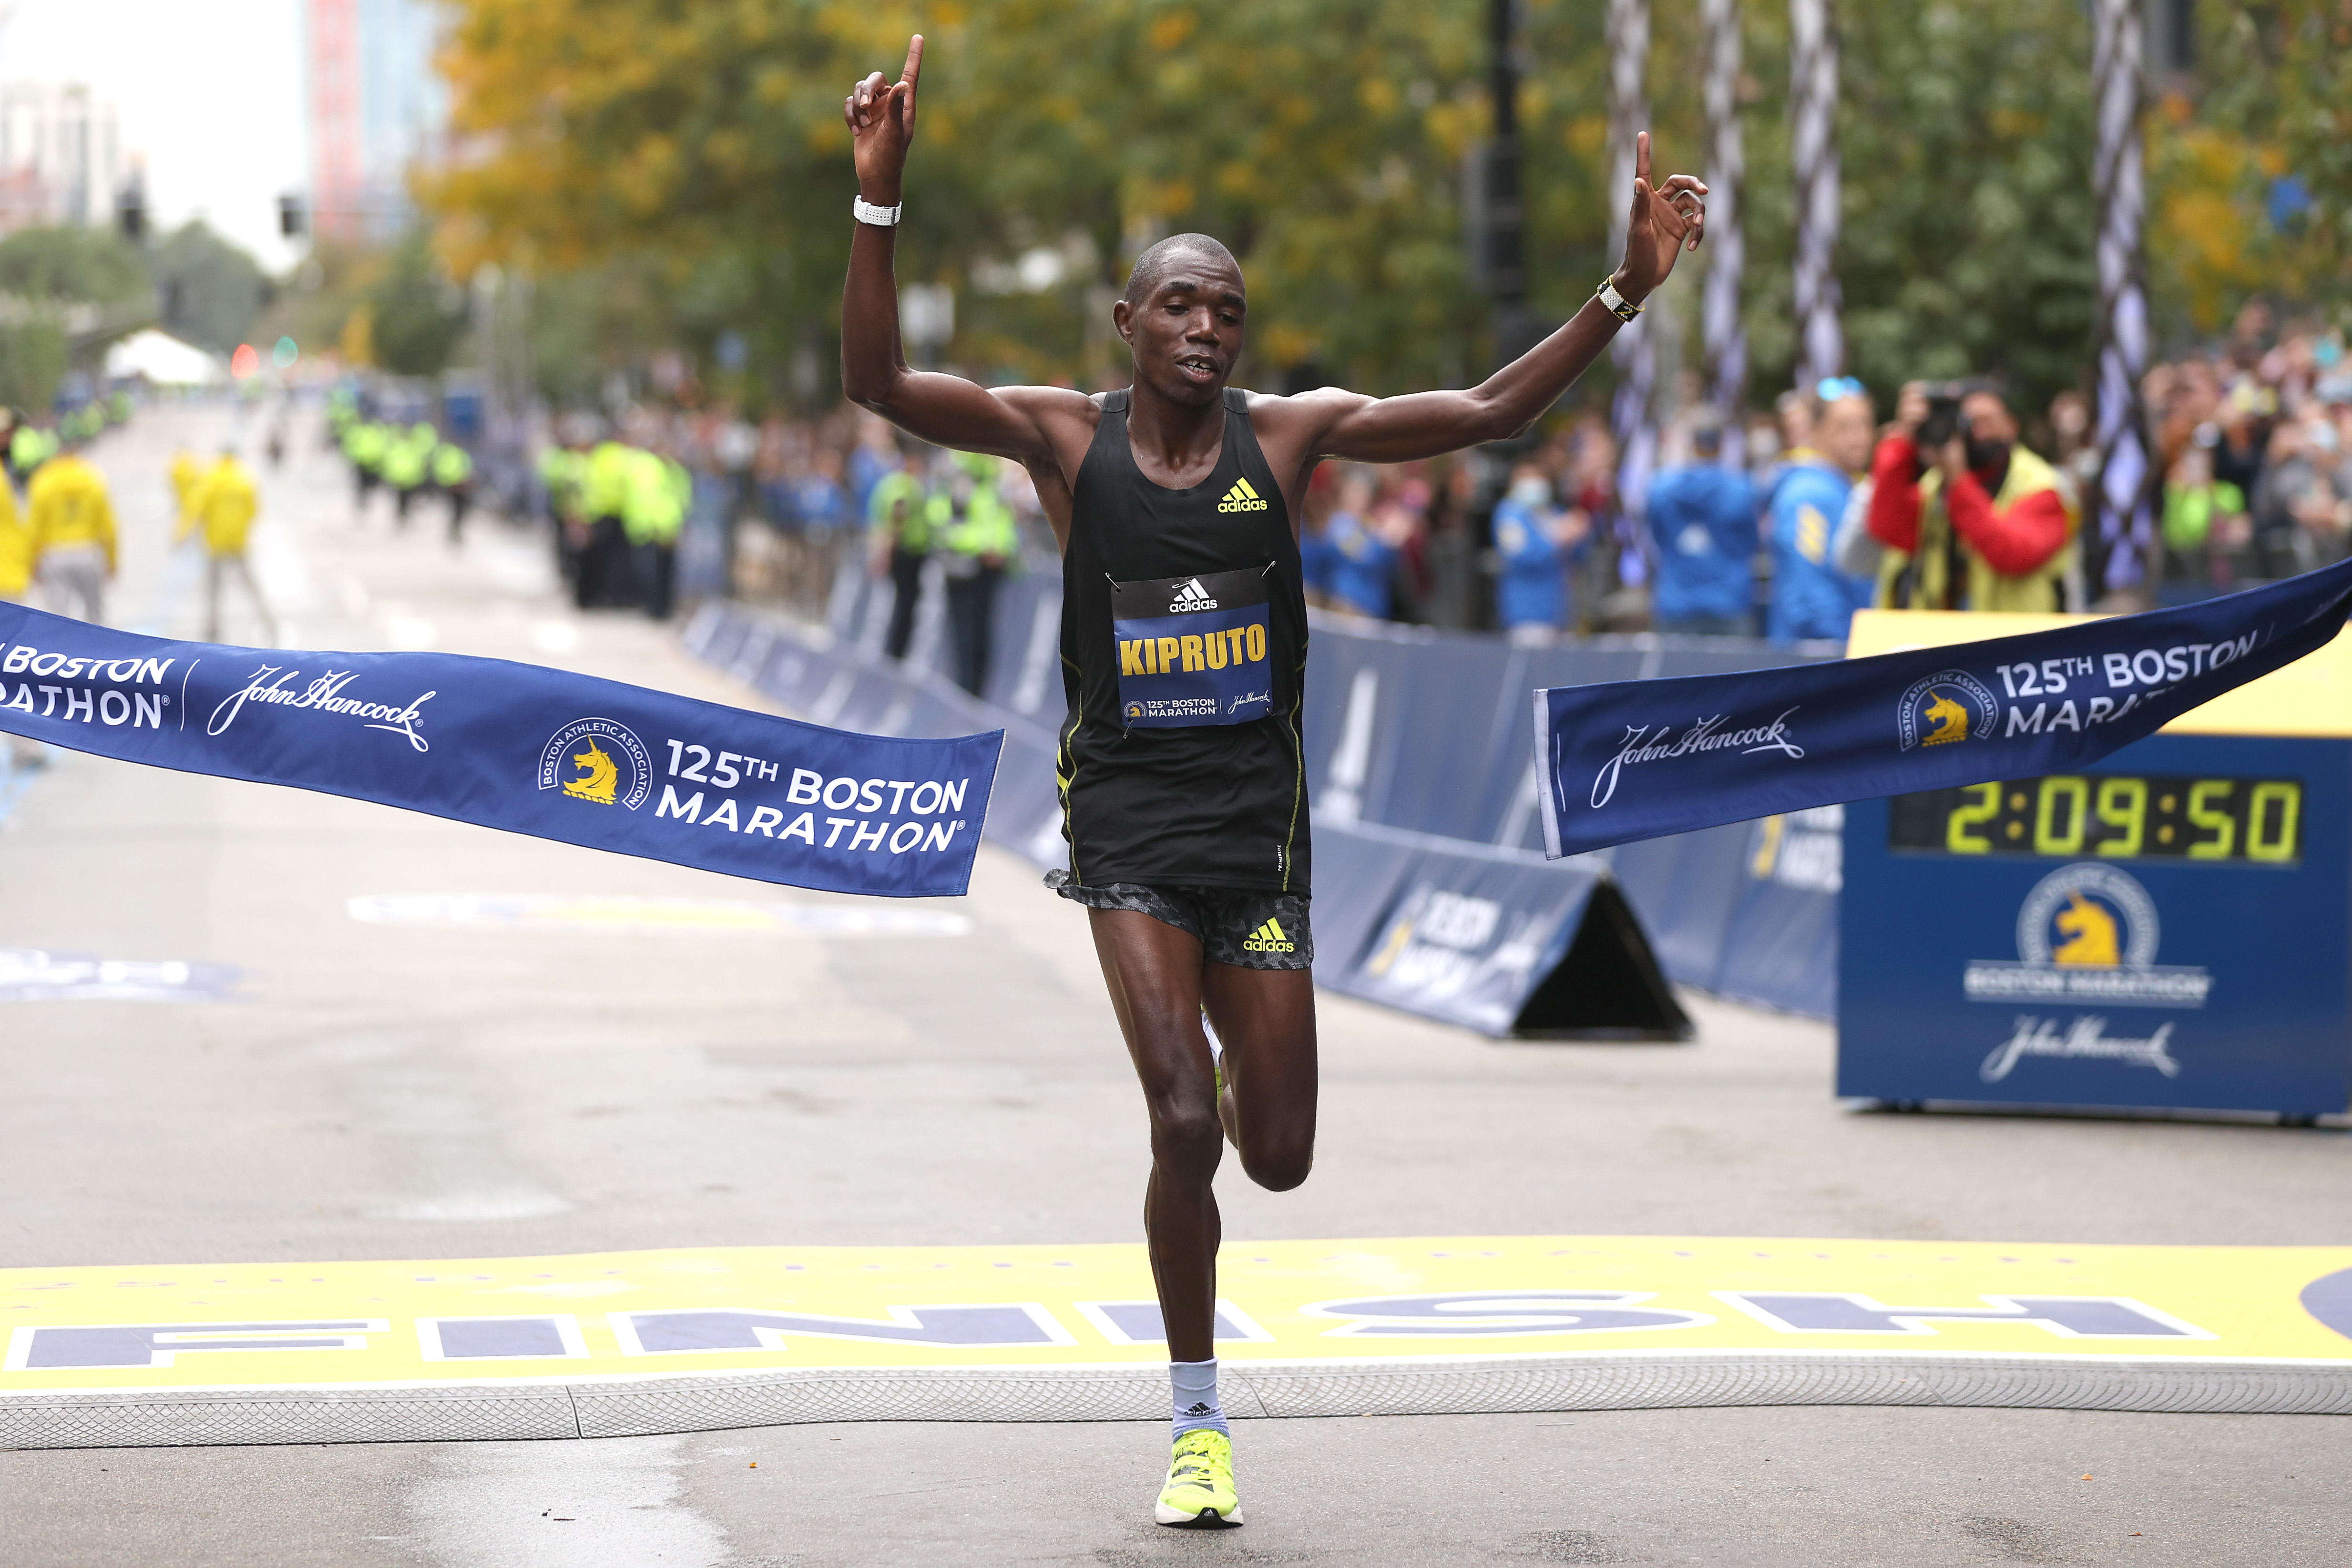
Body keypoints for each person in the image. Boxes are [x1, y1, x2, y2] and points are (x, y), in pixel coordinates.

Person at [840, 35, 1705, 1529]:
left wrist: (1623, 288)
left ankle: (1239, 1067)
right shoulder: (1064, 436)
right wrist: (879, 201)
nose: (1207, 326)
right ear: (1126, 323)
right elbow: (878, 379)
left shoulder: (1288, 437)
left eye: (1227, 310)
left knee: (1280, 1154)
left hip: (1259, 827)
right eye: (1179, 302)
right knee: (1182, 1121)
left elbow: (1490, 415)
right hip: (1124, 821)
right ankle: (1194, 1419)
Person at [1867, 379, 2076, 611]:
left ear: (2012, 426)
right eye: (1968, 423)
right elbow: (1887, 526)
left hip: (2016, 641)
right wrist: (1904, 439)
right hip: (1940, 639)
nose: (1978, 432)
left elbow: (2013, 554)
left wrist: (1958, 481)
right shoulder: (1937, 484)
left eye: (1987, 421)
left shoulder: (2040, 485)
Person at [1767, 385, 1877, 642]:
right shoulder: (1810, 494)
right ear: (1815, 431)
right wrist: (1843, 647)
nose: (1859, 437)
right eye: (1844, 427)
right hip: (1821, 659)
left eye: (1866, 424)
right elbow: (1808, 593)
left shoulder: (1844, 487)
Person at [1644, 417, 1758, 634]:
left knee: (1678, 669)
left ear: (1692, 444)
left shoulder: (1661, 489)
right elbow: (1751, 542)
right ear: (1721, 445)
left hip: (1677, 602)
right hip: (1728, 603)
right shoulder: (1741, 490)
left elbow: (1656, 534)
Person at [939, 451, 1020, 694]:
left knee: (984, 634)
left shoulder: (993, 485)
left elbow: (1005, 523)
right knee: (965, 634)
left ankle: (977, 695)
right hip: (963, 569)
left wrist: (1003, 550)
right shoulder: (957, 481)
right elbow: (946, 527)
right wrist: (982, 548)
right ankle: (965, 692)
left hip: (989, 570)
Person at [189, 446, 278, 644]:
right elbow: (255, 509)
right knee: (251, 585)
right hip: (238, 541)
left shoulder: (211, 478)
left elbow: (197, 508)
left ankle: (212, 629)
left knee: (213, 589)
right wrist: (241, 528)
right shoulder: (245, 479)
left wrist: (184, 533)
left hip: (215, 541)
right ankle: (269, 623)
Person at [25, 437, 116, 623]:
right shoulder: (92, 479)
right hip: (88, 551)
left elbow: (34, 526)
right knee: (96, 614)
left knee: (58, 617)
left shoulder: (43, 480)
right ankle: (97, 650)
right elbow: (108, 525)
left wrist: (32, 562)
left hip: (55, 554)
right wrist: (112, 559)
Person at [1490, 461, 1581, 641]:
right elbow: (1520, 556)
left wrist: (1578, 534)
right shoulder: (1509, 514)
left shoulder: (1551, 513)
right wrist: (1557, 541)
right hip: (1527, 612)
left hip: (1558, 609)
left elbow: (1576, 555)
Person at [865, 446, 933, 659]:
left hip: (904, 550)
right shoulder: (905, 485)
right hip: (906, 551)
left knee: (901, 602)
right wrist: (886, 551)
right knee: (905, 604)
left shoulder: (890, 483)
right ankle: (895, 652)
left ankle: (893, 650)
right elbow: (898, 516)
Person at [432, 436, 477, 544]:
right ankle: (454, 530)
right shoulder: (451, 454)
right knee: (457, 509)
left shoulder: (450, 454)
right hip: (454, 486)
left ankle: (455, 529)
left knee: (459, 510)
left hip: (458, 486)